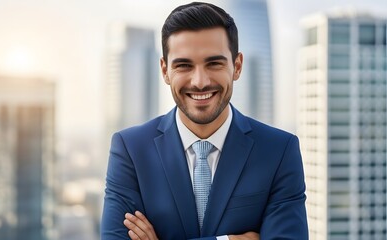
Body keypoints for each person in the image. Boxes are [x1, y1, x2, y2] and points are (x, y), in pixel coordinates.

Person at [101, 2, 308, 239]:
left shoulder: (279, 151)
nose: (199, 81)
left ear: (237, 66)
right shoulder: (130, 149)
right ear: (165, 70)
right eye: (184, 65)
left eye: (214, 63)